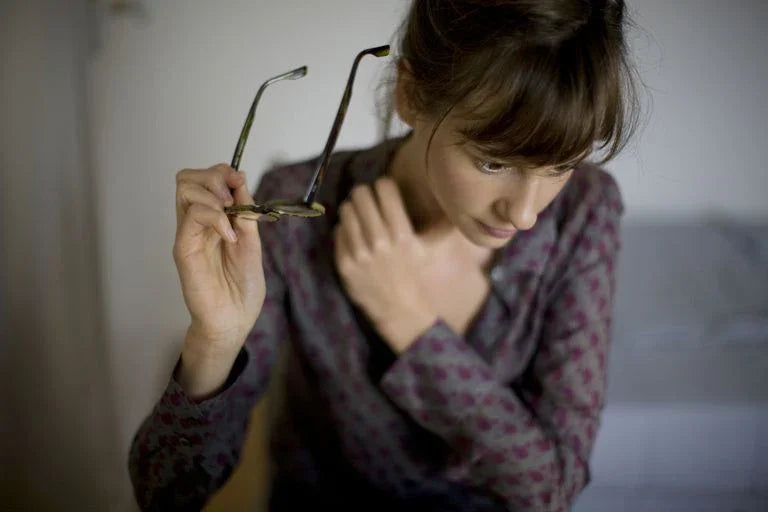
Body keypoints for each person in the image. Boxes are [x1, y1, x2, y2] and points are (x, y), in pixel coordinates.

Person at [129, 0, 640, 510]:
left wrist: (409, 322)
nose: (526, 213)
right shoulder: (298, 212)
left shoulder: (585, 212)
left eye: (562, 165)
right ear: (410, 94)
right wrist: (215, 338)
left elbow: (551, 487)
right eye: (492, 161)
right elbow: (166, 492)